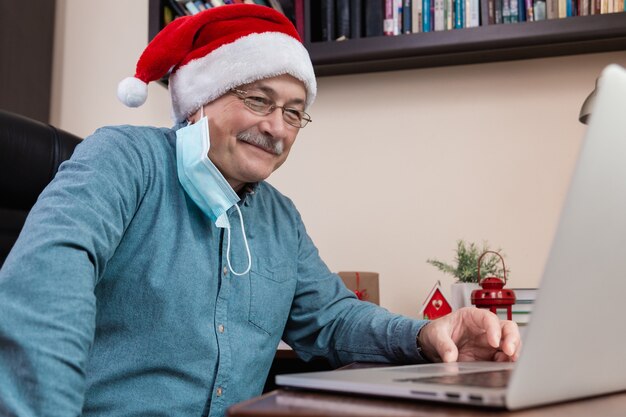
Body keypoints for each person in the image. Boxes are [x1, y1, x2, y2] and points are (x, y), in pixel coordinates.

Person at [0, 4, 520, 417]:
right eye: (257, 100)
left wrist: (427, 335)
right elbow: (45, 283)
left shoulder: (281, 218)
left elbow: (334, 320)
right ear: (201, 98)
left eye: (294, 113)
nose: (277, 127)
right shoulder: (123, 158)